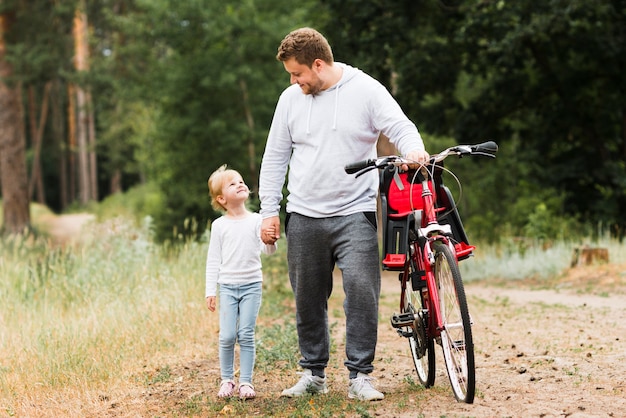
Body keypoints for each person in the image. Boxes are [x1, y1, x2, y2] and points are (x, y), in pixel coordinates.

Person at [258, 27, 429, 401]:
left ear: (318, 64)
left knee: (362, 293)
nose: (294, 81)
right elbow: (274, 158)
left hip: (355, 211)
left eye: (298, 73)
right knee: (307, 297)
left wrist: (414, 149)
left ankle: (360, 377)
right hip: (304, 213)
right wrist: (268, 211)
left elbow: (400, 126)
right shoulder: (289, 100)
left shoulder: (365, 90)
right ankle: (313, 374)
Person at [205, 165, 277, 399]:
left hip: (251, 285)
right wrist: (210, 290)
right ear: (221, 198)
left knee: (246, 334)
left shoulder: (257, 220)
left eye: (241, 181)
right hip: (227, 287)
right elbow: (213, 260)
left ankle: (246, 382)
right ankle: (227, 380)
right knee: (226, 336)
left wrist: (271, 239)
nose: (240, 184)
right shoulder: (219, 226)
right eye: (232, 183)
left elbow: (268, 251)